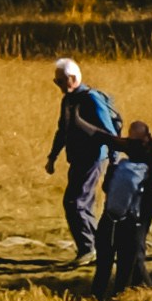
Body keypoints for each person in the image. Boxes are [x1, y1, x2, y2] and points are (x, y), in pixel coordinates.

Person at [44, 57, 121, 265]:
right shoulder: (68, 100)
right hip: (77, 159)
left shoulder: (91, 98)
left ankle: (89, 249)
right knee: (80, 203)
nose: (58, 85)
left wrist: (114, 160)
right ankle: (98, 248)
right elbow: (63, 131)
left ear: (72, 78)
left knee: (76, 203)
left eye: (60, 81)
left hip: (93, 159)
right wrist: (52, 157)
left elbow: (109, 131)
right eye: (56, 81)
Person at [93, 109, 152, 300]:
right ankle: (129, 293)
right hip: (134, 214)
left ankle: (133, 293)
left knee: (128, 256)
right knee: (130, 257)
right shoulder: (148, 151)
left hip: (134, 212)